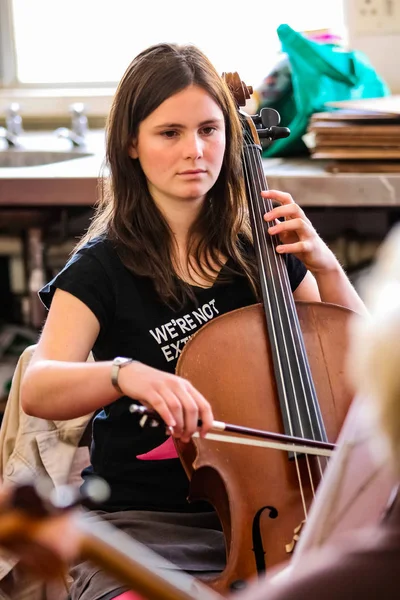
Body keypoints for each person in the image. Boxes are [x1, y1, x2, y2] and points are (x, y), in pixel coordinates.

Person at [20, 42, 366, 600]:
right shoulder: (102, 267)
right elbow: (38, 386)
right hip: (142, 530)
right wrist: (123, 373)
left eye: (210, 129)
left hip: (282, 515)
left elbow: (364, 362)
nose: (195, 151)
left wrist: (323, 264)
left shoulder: (256, 250)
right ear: (131, 143)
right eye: (170, 133)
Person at [234, 225, 400, 600]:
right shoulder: (99, 267)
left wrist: (327, 268)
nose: (195, 160)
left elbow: (349, 358)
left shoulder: (270, 259)